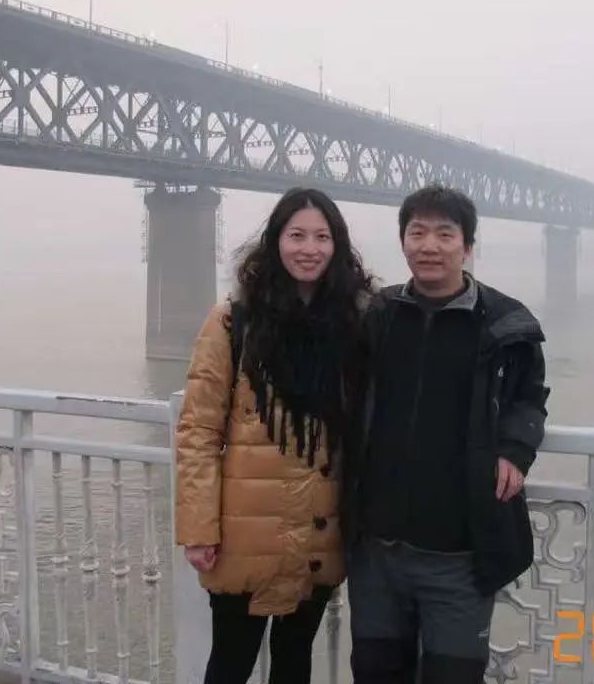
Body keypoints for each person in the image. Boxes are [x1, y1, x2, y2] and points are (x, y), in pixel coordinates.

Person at [344, 184, 549, 684]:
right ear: (403, 242)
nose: (429, 246)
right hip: (377, 552)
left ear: (468, 246)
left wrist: (515, 448)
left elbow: (529, 396)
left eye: (444, 233)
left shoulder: (505, 324)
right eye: (417, 233)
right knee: (374, 672)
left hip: (460, 556)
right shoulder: (375, 316)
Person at [175, 187, 373, 684]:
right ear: (275, 241)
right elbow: (198, 430)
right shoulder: (233, 320)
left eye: (322, 237)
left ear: (338, 246)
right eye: (297, 235)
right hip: (245, 533)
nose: (310, 249)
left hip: (319, 529)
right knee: (231, 663)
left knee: (294, 662)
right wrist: (198, 528)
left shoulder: (355, 323)